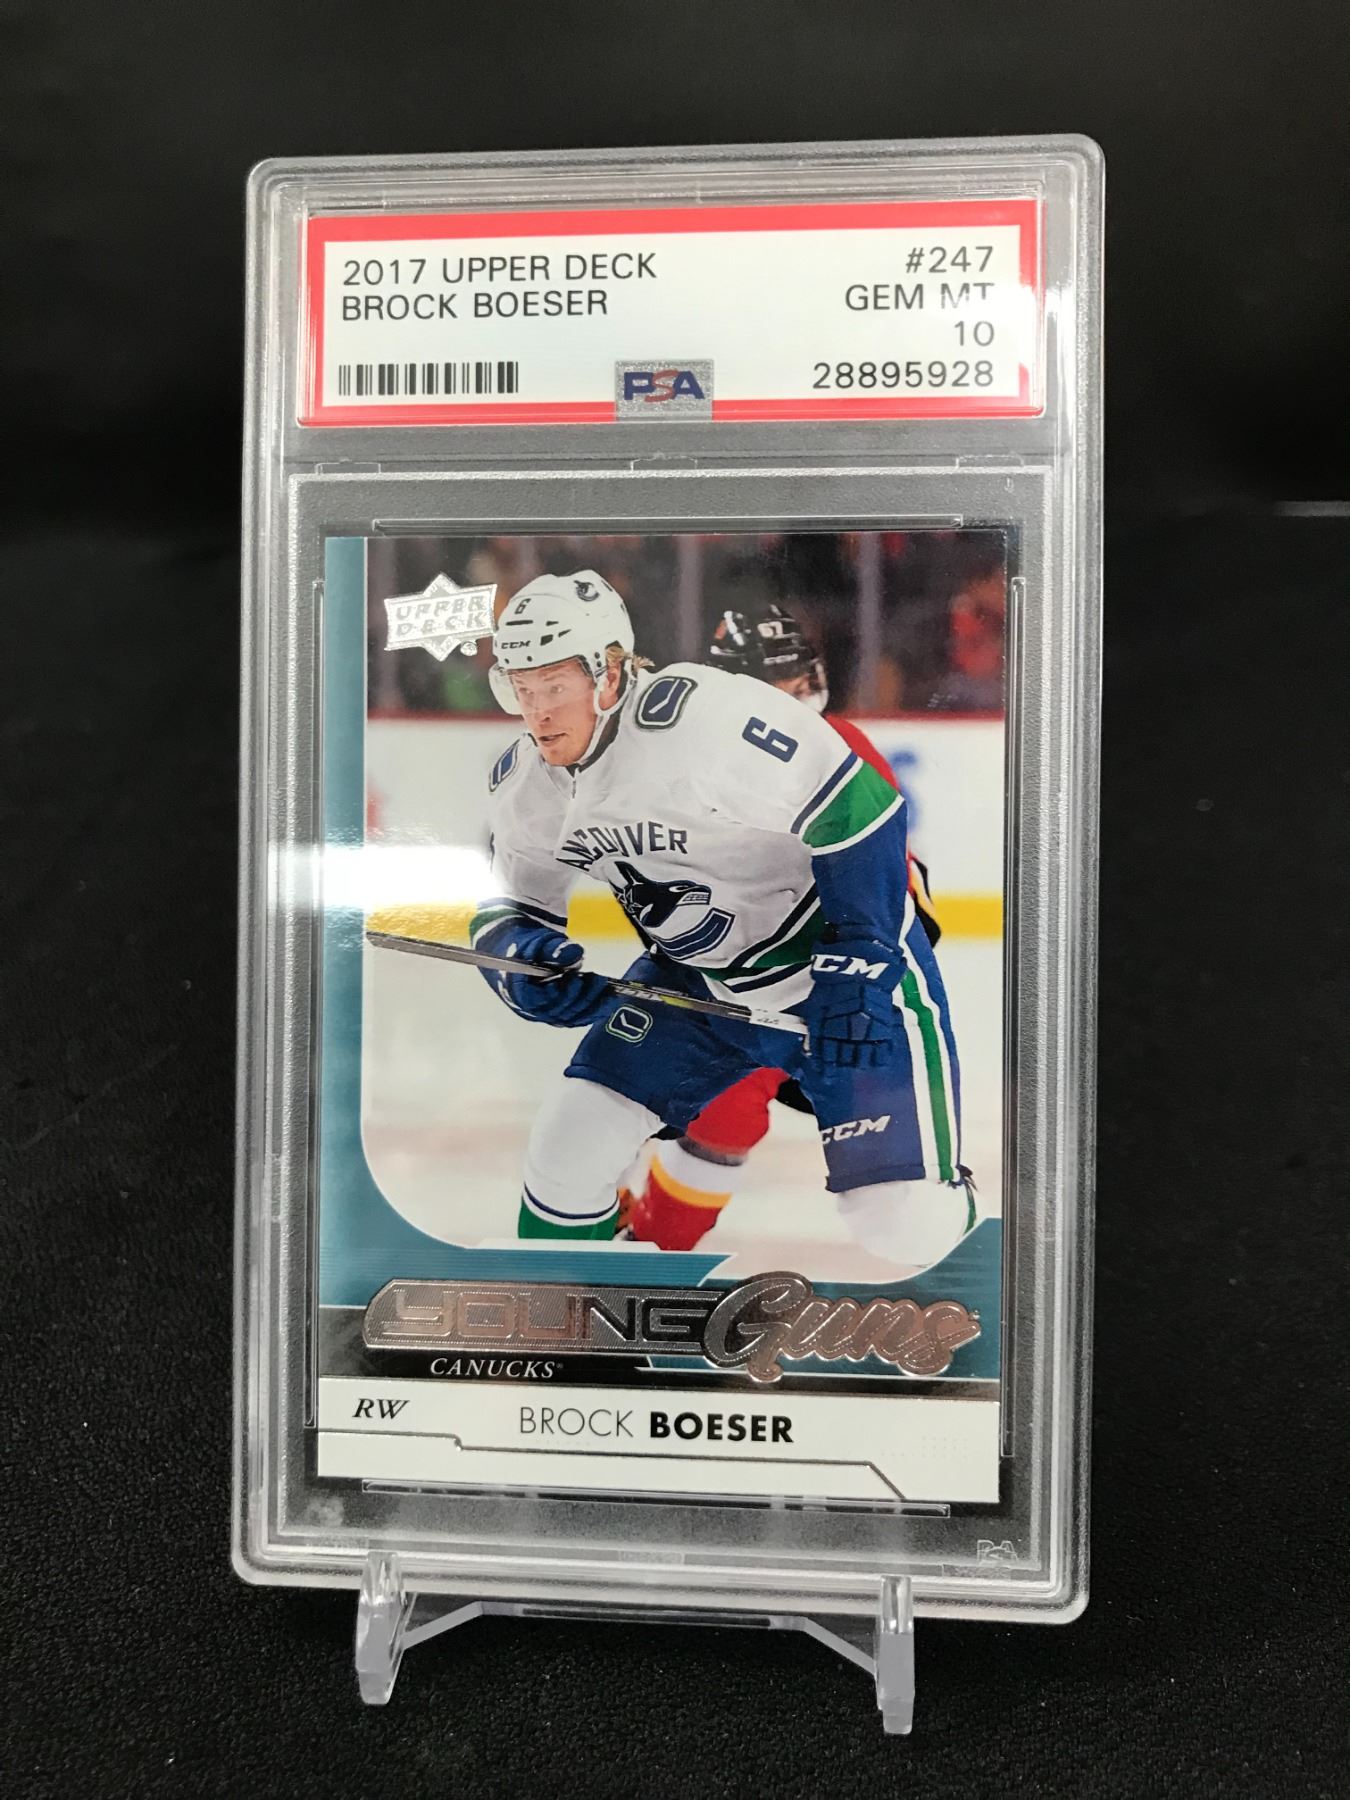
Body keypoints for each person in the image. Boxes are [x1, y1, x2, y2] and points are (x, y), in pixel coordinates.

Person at [469, 570, 971, 1268]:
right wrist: (524, 964)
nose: (538, 712)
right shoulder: (528, 782)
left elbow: (863, 812)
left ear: (609, 672)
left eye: (554, 685)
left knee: (900, 1224)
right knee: (569, 1149)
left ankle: (960, 1218)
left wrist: (860, 964)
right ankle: (581, 1303)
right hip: (697, 984)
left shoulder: (703, 721)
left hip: (826, 974)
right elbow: (513, 903)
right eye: (521, 689)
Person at [621, 601, 945, 1249]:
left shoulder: (842, 748)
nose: (794, 700)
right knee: (719, 1118)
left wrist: (853, 985)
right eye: (776, 688)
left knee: (888, 1183)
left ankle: (934, 1227)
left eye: (798, 682)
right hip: (738, 981)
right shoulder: (681, 765)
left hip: (835, 982)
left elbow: (897, 893)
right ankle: (650, 1246)